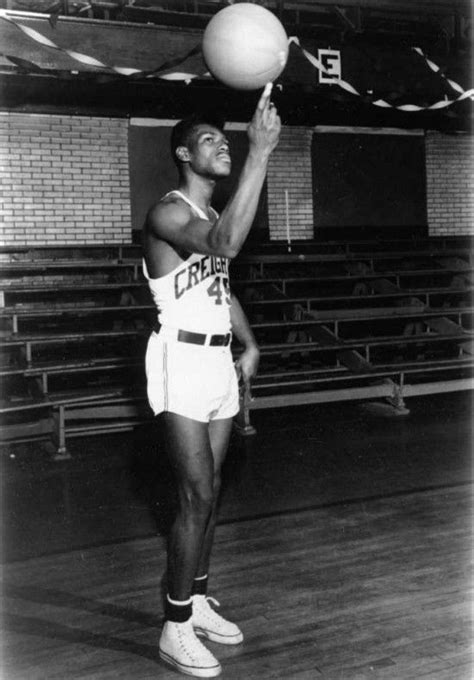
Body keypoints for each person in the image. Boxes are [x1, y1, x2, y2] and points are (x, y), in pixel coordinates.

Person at [142, 83, 280, 678]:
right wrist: (263, 153)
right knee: (194, 495)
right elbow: (224, 246)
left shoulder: (215, 213)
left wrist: (247, 342)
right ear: (182, 155)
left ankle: (195, 602)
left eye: (228, 142)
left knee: (213, 490)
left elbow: (220, 285)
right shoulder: (169, 212)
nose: (222, 148)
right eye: (210, 142)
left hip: (218, 360)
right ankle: (174, 626)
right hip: (180, 361)